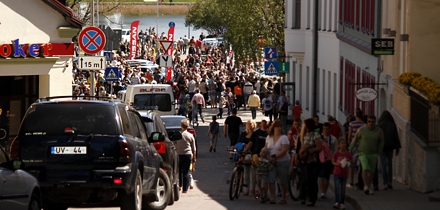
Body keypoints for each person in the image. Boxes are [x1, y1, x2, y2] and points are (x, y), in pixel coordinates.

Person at [349, 115, 384, 195]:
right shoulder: (361, 130)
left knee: (371, 171)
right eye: (369, 121)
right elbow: (355, 140)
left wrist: (378, 152)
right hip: (363, 152)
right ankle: (365, 186)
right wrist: (350, 150)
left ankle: (368, 186)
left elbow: (381, 141)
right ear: (366, 122)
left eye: (372, 122)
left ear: (375, 122)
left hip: (373, 153)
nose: (370, 123)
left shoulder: (379, 131)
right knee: (365, 168)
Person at [297, 118, 322, 206]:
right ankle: (303, 197)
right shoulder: (304, 134)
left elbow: (319, 147)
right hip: (304, 159)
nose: (305, 127)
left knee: (312, 180)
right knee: (304, 179)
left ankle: (312, 198)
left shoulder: (316, 135)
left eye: (306, 125)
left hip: (313, 160)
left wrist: (312, 150)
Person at [265, 119, 290, 204]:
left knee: (282, 180)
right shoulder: (269, 137)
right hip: (271, 162)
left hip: (282, 162)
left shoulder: (284, 138)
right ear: (273, 128)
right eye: (277, 127)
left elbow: (284, 150)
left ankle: (283, 197)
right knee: (271, 180)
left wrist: (275, 156)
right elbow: (266, 148)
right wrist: (264, 153)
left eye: (280, 127)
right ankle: (272, 197)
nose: (279, 128)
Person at [244, 117, 269, 198]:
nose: (264, 123)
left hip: (265, 157)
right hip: (256, 155)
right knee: (254, 174)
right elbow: (251, 142)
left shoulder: (269, 133)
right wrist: (245, 150)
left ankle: (262, 192)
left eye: (265, 122)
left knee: (264, 175)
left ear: (268, 123)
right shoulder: (256, 132)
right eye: (263, 122)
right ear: (260, 122)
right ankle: (253, 189)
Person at [377, 110, 401, 190]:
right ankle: (390, 182)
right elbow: (396, 136)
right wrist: (397, 148)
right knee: (390, 163)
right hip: (391, 147)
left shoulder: (379, 125)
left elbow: (377, 137)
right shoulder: (392, 125)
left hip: (382, 147)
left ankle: (385, 183)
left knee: (383, 164)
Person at [176, 119, 197, 193]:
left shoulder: (178, 135)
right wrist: (194, 157)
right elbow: (194, 148)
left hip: (179, 155)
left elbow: (175, 145)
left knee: (179, 171)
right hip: (188, 155)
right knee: (186, 172)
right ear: (187, 126)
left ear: (181, 126)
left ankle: (180, 186)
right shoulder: (190, 135)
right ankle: (185, 189)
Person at [332, 139, 353, 210]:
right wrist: (337, 164)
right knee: (337, 187)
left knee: (343, 189)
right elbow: (333, 161)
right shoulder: (336, 153)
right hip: (337, 173)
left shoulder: (348, 154)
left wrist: (349, 160)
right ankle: (337, 202)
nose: (344, 144)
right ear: (339, 145)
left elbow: (353, 162)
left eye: (345, 143)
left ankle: (342, 203)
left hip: (344, 174)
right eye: (342, 143)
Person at [318, 122, 337, 199]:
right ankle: (322, 192)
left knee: (326, 177)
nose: (325, 130)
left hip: (329, 160)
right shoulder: (319, 138)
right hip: (321, 159)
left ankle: (324, 192)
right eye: (324, 129)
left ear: (330, 129)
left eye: (327, 129)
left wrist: (334, 161)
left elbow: (335, 151)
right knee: (321, 176)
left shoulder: (333, 139)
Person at [238, 119, 257, 196]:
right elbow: (239, 142)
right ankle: (246, 190)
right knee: (246, 173)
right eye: (249, 124)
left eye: (251, 124)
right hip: (245, 154)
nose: (250, 125)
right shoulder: (243, 133)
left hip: (253, 154)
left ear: (254, 125)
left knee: (253, 173)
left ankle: (253, 189)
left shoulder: (255, 134)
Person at [347, 110, 365, 189]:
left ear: (355, 116)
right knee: (359, 165)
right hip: (361, 146)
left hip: (353, 146)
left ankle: (351, 182)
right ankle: (358, 181)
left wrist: (350, 144)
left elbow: (349, 135)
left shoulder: (351, 124)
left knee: (352, 164)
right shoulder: (364, 125)